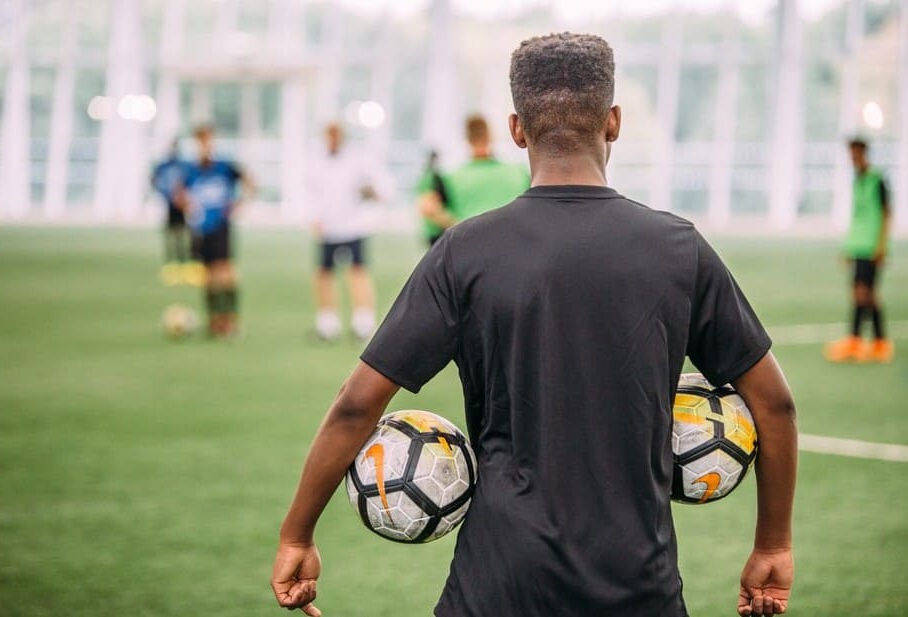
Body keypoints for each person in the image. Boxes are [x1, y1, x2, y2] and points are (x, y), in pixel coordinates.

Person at [272, 33, 797, 617]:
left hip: (496, 585)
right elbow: (774, 405)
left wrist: (298, 534)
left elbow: (355, 405)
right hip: (638, 588)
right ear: (614, 122)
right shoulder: (680, 249)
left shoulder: (463, 251)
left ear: (517, 128)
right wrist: (772, 544)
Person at [306, 122, 393, 342]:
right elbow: (310, 192)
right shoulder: (316, 160)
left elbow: (379, 186)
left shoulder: (358, 159)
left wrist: (373, 193)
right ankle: (328, 323)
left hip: (353, 226)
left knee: (357, 273)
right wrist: (313, 217)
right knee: (324, 274)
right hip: (327, 227)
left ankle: (363, 322)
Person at [177, 124, 255, 338]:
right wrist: (188, 207)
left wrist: (240, 203)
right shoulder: (190, 170)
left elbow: (250, 181)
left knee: (225, 270)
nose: (205, 145)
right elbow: (179, 195)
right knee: (208, 274)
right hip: (201, 229)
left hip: (221, 226)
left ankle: (230, 319)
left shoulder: (224, 167)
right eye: (201, 141)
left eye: (208, 141)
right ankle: (213, 320)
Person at [824, 138, 894, 363]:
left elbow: (885, 215)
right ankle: (858, 341)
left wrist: (882, 247)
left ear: (864, 152)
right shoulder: (857, 180)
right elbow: (858, 218)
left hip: (872, 247)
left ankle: (879, 342)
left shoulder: (877, 180)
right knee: (858, 292)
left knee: (867, 294)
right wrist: (848, 247)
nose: (852, 158)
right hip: (858, 246)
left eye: (855, 153)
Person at [417, 114, 531, 246]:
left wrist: (459, 226)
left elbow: (427, 208)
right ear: (490, 136)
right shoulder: (519, 173)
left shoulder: (451, 178)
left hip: (469, 248)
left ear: (467, 138)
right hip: (513, 246)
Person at [151, 139, 200, 286]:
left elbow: (192, 180)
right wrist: (164, 193)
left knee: (189, 233)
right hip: (170, 204)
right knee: (172, 233)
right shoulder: (163, 165)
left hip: (184, 204)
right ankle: (172, 265)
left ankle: (188, 263)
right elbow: (154, 179)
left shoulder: (184, 166)